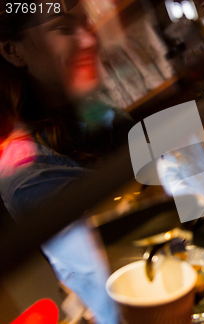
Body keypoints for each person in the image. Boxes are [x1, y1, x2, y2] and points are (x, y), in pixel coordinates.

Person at [0, 1, 134, 322]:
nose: (89, 40)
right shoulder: (27, 173)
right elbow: (121, 269)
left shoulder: (97, 114)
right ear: (13, 51)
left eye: (86, 24)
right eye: (62, 28)